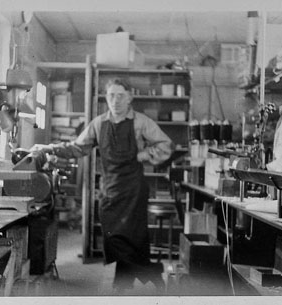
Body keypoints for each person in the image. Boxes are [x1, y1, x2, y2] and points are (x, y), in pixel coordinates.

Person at [30, 78, 174, 294]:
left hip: (133, 189)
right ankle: (150, 272)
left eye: (120, 96)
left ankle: (122, 281)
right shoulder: (99, 124)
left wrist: (144, 154)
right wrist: (51, 148)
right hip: (110, 189)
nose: (115, 101)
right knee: (113, 238)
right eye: (111, 96)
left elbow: (166, 145)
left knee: (134, 239)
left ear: (129, 98)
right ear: (106, 98)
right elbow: (78, 148)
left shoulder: (141, 122)